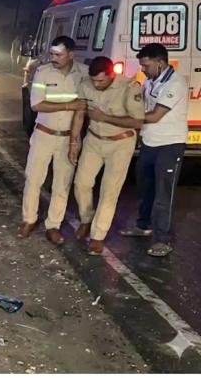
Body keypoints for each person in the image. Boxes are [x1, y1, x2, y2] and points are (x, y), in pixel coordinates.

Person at [69, 57, 144, 255]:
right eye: (94, 80)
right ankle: (87, 219)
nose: (96, 84)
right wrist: (74, 142)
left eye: (101, 81)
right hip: (93, 140)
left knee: (109, 191)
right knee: (81, 183)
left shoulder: (129, 87)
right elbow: (79, 114)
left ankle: (98, 236)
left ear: (112, 75)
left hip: (120, 144)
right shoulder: (86, 84)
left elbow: (137, 122)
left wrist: (105, 118)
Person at [120, 43, 189, 257]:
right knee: (145, 187)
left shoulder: (175, 83)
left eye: (146, 65)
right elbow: (142, 106)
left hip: (169, 145)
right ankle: (144, 225)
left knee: (163, 194)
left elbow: (155, 115)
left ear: (160, 63)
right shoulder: (150, 81)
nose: (143, 69)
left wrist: (119, 120)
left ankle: (162, 239)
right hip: (150, 142)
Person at [18, 36, 88, 245]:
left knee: (62, 184)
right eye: (52, 54)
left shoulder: (84, 73)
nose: (54, 58)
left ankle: (53, 225)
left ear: (71, 54)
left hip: (68, 137)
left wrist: (74, 143)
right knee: (33, 179)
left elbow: (83, 108)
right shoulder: (43, 72)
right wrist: (69, 105)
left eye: (59, 54)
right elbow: (36, 104)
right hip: (44, 134)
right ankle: (29, 219)